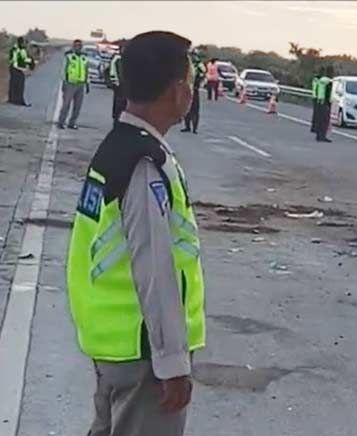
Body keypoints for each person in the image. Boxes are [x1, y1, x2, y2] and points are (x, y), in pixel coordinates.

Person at [66, 31, 205, 436]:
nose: (193, 92)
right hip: (142, 353)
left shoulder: (116, 147)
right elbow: (155, 268)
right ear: (178, 90)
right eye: (192, 82)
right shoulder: (146, 164)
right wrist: (173, 363)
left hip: (113, 342)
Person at [57, 39, 90, 129]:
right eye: (76, 45)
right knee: (66, 104)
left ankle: (72, 123)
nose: (78, 47)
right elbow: (64, 70)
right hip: (70, 83)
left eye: (79, 45)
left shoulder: (84, 57)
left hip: (81, 84)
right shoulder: (69, 56)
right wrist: (64, 82)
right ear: (73, 46)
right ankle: (61, 122)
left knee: (77, 106)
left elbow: (86, 71)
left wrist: (87, 83)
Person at [181, 50, 206, 133]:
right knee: (187, 107)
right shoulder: (187, 64)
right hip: (187, 88)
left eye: (194, 55)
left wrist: (198, 82)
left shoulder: (199, 64)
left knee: (195, 109)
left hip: (194, 89)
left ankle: (194, 128)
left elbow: (203, 73)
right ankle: (187, 126)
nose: (192, 57)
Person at [8, 37, 33, 106]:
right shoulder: (17, 49)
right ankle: (18, 101)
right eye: (25, 43)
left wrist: (30, 61)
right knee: (19, 85)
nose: (25, 45)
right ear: (21, 43)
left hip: (15, 68)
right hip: (16, 69)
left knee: (14, 84)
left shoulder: (18, 49)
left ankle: (13, 100)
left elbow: (24, 59)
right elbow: (18, 61)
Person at [110, 44, 127, 126]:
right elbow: (112, 71)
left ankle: (121, 122)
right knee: (118, 106)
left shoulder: (128, 59)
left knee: (124, 106)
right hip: (119, 86)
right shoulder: (117, 58)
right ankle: (116, 122)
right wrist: (115, 83)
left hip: (126, 86)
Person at [315, 66, 333, 142]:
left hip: (319, 101)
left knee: (319, 120)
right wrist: (329, 103)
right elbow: (328, 93)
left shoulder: (320, 80)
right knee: (325, 121)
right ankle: (323, 136)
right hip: (325, 102)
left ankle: (318, 135)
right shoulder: (329, 82)